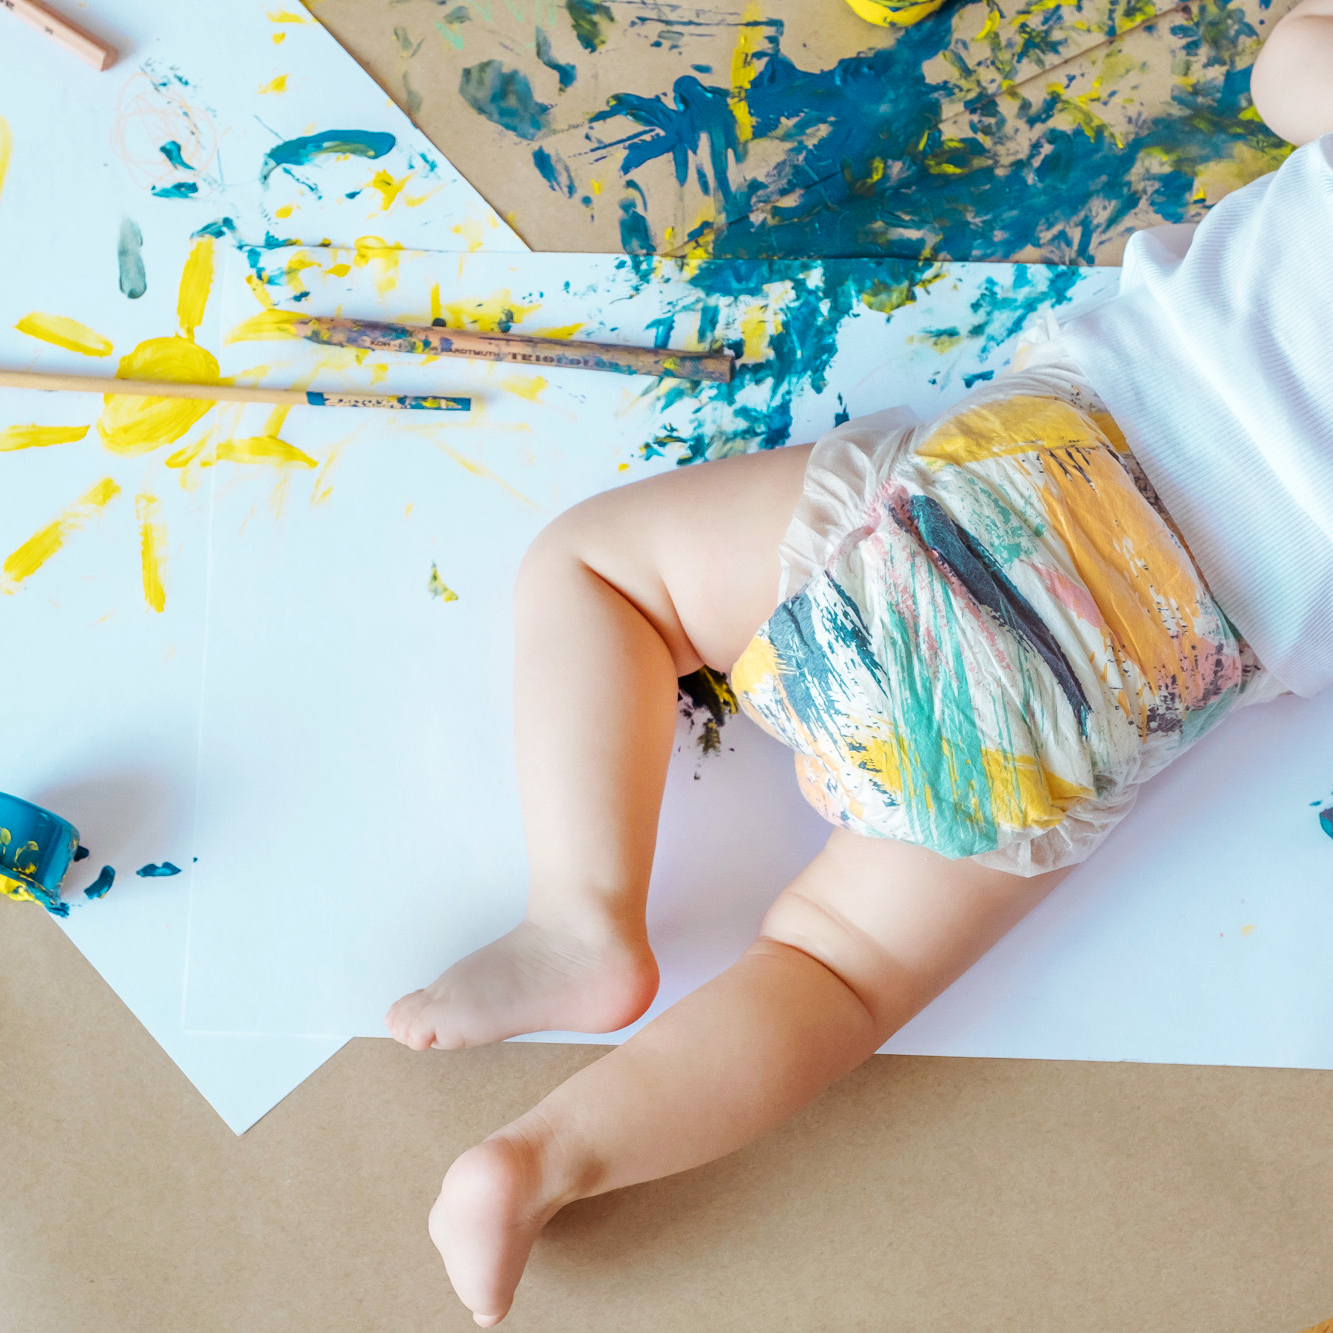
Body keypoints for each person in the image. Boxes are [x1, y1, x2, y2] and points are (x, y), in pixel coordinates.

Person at [386, 4, 1333, 1322]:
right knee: (831, 977)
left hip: (999, 501)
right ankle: (538, 1163)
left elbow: (1290, 62)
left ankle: (581, 918)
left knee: (597, 574)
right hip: (1123, 688)